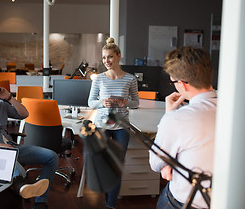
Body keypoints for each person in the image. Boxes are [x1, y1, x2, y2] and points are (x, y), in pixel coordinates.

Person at [0, 73, 59, 209]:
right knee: (20, 174)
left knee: (52, 157)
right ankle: (23, 187)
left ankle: (40, 201)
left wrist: (9, 98)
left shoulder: (0, 104)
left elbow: (24, 114)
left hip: (10, 147)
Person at [149, 47, 216, 209]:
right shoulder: (235, 107)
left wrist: (168, 115)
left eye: (173, 82)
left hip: (187, 202)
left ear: (182, 84)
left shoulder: (177, 119)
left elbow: (156, 162)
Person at [88, 37, 139, 209]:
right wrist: (102, 103)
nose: (106, 61)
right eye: (104, 58)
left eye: (110, 57)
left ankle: (111, 204)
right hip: (102, 126)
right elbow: (90, 102)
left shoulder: (130, 79)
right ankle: (107, 196)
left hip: (121, 127)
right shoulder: (99, 78)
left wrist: (126, 102)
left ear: (118, 56)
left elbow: (136, 103)